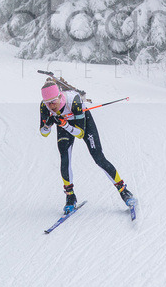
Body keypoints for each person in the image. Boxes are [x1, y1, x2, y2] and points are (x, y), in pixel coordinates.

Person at [39, 81, 135, 212]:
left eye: (53, 101)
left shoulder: (74, 101)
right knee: (64, 159)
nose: (51, 105)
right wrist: (47, 125)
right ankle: (70, 197)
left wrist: (64, 124)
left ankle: (124, 191)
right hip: (64, 125)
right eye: (47, 102)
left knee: (98, 158)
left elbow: (80, 133)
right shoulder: (44, 107)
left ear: (60, 96)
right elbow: (44, 133)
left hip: (83, 124)